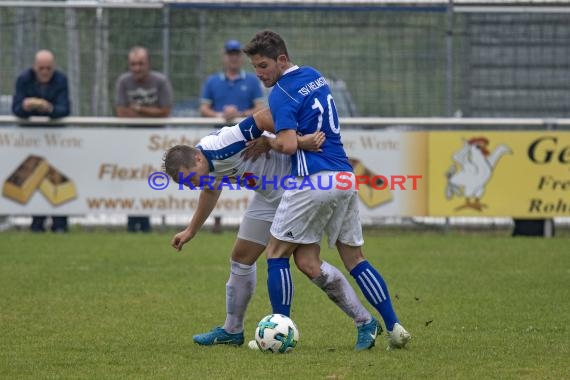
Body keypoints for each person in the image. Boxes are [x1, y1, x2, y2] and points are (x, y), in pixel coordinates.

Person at [243, 30, 411, 349]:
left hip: (313, 180)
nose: (259, 73)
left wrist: (267, 141)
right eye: (255, 68)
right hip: (345, 177)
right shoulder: (314, 76)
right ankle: (393, 327)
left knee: (276, 254)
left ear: (281, 59)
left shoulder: (280, 93)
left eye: (263, 65)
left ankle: (280, 334)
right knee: (351, 258)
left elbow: (289, 145)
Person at [163, 109, 381, 351]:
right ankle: (231, 330)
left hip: (296, 190)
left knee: (308, 264)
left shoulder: (223, 144)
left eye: (190, 179)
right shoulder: (205, 166)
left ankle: (365, 322)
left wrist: (297, 141)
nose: (193, 185)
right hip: (268, 197)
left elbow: (266, 116)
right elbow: (211, 190)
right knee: (241, 258)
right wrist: (191, 230)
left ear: (197, 160)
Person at [115, 46, 173, 232]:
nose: (137, 68)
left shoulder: (160, 81)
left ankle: (147, 222)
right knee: (132, 179)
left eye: (140, 63)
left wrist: (140, 110)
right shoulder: (123, 81)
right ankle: (132, 221)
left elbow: (165, 111)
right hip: (130, 141)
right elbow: (121, 112)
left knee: (151, 180)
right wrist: (151, 113)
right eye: (133, 64)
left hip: (155, 142)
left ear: (148, 64)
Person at [12, 49, 71, 233]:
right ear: (34, 67)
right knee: (33, 180)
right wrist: (27, 106)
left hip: (56, 141)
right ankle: (36, 223)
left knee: (58, 180)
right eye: (41, 68)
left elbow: (64, 109)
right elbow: (16, 109)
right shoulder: (24, 79)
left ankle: (60, 224)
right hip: (32, 141)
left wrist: (48, 108)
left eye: (49, 68)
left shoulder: (61, 80)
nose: (45, 72)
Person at [200, 39, 265, 122]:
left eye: (237, 54)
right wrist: (222, 115)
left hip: (245, 132)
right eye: (230, 54)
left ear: (242, 57)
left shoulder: (253, 80)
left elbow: (260, 108)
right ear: (224, 56)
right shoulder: (211, 81)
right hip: (217, 132)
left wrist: (240, 114)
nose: (234, 58)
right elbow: (203, 109)